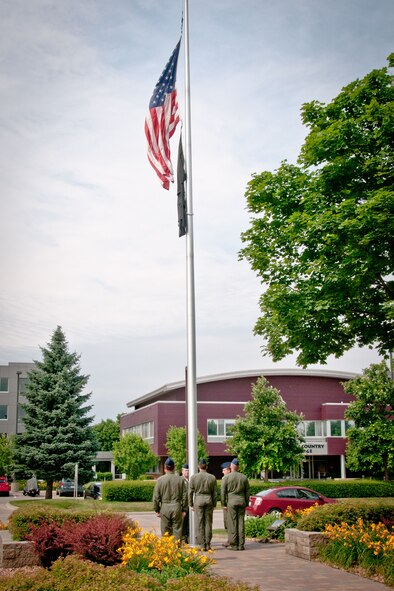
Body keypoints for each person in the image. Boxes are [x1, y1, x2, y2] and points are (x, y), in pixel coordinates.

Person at [153, 457, 187, 540]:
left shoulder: (160, 480)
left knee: (165, 531)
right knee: (177, 530)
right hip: (177, 507)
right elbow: (185, 496)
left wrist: (157, 509)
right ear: (174, 467)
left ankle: (167, 549)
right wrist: (184, 509)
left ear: (165, 468)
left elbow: (156, 497)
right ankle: (176, 550)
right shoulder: (180, 480)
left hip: (165, 507)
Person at [221, 458, 249, 551]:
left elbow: (223, 492)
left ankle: (234, 545)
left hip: (231, 501)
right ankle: (241, 544)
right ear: (238, 467)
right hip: (241, 501)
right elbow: (247, 492)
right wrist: (246, 502)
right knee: (241, 522)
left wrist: (223, 503)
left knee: (232, 522)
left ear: (231, 467)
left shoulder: (226, 477)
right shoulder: (244, 477)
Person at [188, 458, 217, 550]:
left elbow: (190, 492)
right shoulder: (212, 477)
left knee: (199, 523)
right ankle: (208, 543)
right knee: (208, 522)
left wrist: (191, 504)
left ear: (198, 467)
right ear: (206, 467)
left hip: (198, 500)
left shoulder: (194, 477)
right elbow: (215, 493)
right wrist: (214, 504)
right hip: (208, 499)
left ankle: (202, 544)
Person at [220, 461, 231, 546]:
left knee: (228, 522)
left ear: (228, 470)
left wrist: (224, 504)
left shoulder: (226, 479)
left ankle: (230, 540)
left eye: (224, 470)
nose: (222, 472)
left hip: (228, 504)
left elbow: (223, 493)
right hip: (231, 503)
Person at [181, 463, 189, 543]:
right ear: (182, 471)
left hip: (190, 505)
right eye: (186, 470)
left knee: (190, 522)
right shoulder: (180, 480)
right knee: (183, 523)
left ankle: (189, 537)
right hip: (183, 505)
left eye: (188, 471)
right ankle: (183, 538)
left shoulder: (191, 480)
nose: (187, 472)